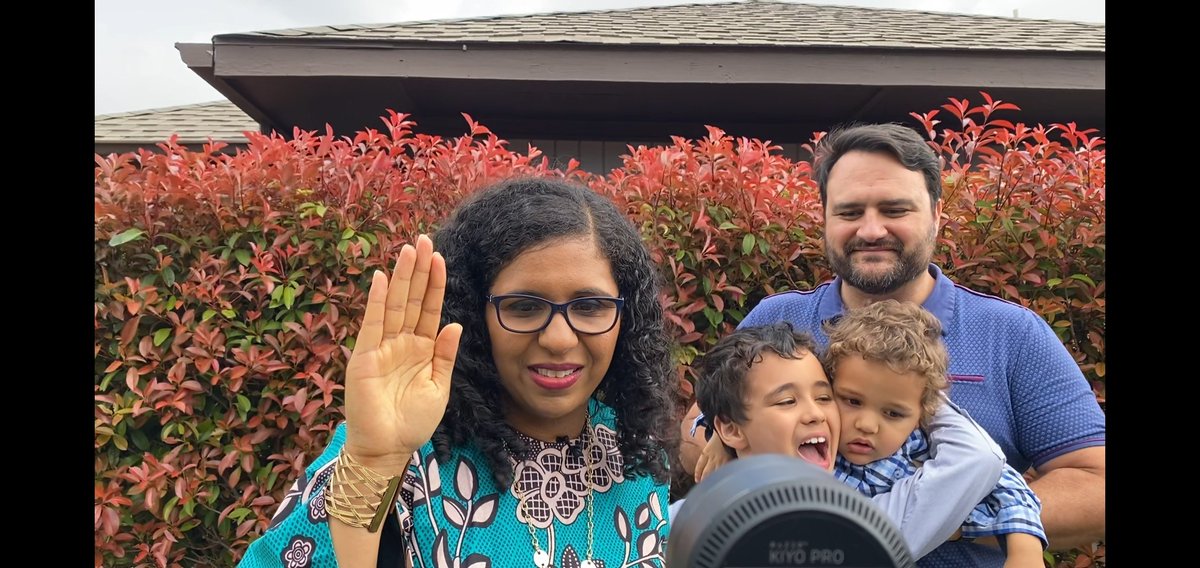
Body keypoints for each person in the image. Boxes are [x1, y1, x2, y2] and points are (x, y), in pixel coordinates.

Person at [686, 123, 1104, 566]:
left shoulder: (1011, 335)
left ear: (936, 215)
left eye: (894, 209)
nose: (870, 230)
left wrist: (944, 513)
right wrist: (720, 440)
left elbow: (1096, 483)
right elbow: (699, 423)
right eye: (849, 212)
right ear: (824, 218)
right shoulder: (778, 319)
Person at [238, 177, 678, 568]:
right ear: (474, 316)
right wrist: (373, 465)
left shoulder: (637, 452)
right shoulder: (404, 450)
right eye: (523, 307)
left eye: (589, 306)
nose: (560, 339)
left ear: (628, 315)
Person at [682, 321, 1006, 560]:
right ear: (732, 429)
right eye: (787, 402)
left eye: (825, 397)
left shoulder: (870, 522)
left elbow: (979, 457)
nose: (815, 414)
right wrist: (719, 432)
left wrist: (910, 388)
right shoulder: (678, 524)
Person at [826, 300, 1045, 568]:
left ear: (923, 415)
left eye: (893, 414)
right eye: (852, 401)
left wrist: (1025, 549)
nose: (867, 425)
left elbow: (1004, 482)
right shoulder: (812, 448)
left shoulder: (919, 447)